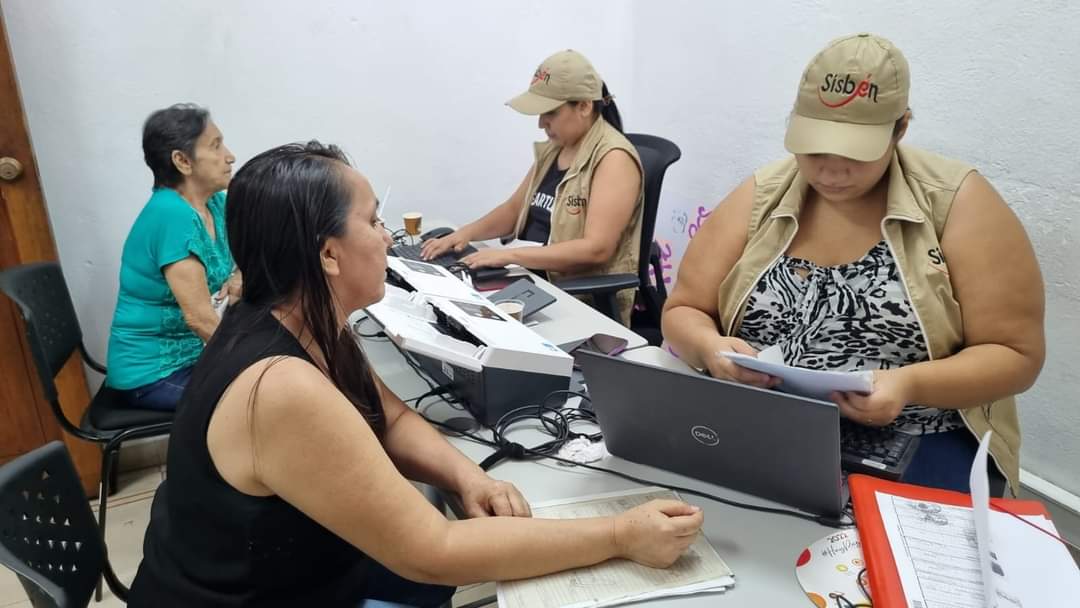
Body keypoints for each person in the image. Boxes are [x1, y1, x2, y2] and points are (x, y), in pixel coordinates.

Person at [127, 141, 704, 606]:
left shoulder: (299, 318)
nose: (386, 237)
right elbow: (432, 548)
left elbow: (389, 415)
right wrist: (621, 536)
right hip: (256, 592)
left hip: (302, 568)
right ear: (328, 255)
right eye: (373, 221)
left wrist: (466, 479)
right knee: (438, 573)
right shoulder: (280, 386)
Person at [662, 34, 1044, 497]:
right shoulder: (764, 194)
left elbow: (1016, 356)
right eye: (814, 149)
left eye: (855, 154)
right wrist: (710, 349)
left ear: (899, 129)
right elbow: (683, 309)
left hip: (917, 434)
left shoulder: (955, 202)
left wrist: (909, 384)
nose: (830, 171)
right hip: (769, 419)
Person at [420, 49, 644, 324]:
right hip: (533, 279)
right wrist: (464, 234)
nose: (541, 123)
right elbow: (514, 210)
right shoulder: (556, 148)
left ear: (584, 106)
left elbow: (596, 249)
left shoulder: (614, 158)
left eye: (550, 112)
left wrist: (508, 256)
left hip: (574, 299)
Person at [105, 103, 239, 411]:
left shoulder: (215, 203)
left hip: (194, 357)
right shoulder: (171, 215)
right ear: (182, 161)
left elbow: (257, 246)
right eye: (216, 147)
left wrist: (238, 275)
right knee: (259, 396)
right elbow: (200, 319)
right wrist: (253, 361)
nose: (229, 156)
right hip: (152, 376)